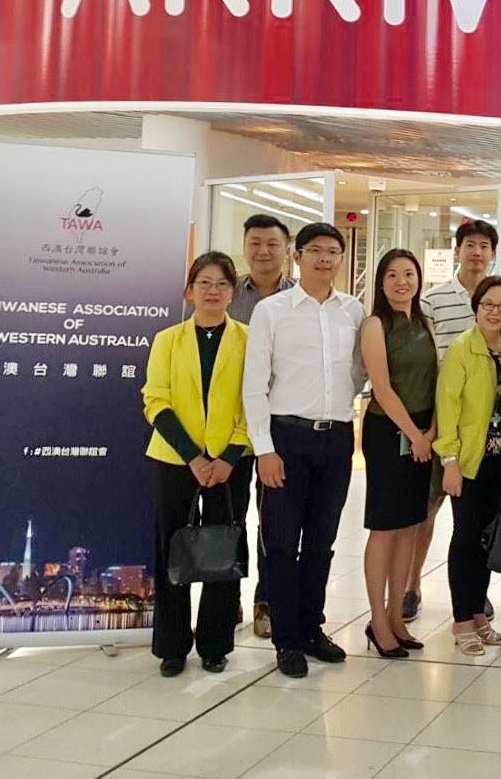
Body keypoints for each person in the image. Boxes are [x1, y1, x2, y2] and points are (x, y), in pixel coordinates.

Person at [243, 222, 365, 679]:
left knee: (321, 541)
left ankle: (312, 629)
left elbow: (360, 370)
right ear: (298, 256)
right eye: (315, 250)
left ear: (341, 259)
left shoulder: (353, 311)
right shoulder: (272, 311)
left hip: (336, 439)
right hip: (286, 439)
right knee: (280, 542)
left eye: (333, 251)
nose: (324, 259)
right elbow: (254, 385)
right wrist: (264, 449)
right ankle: (287, 639)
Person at [143, 252, 253, 677]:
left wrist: (228, 456)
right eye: (204, 283)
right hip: (175, 459)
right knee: (170, 548)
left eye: (222, 284)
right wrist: (193, 456)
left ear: (232, 293)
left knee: (224, 547)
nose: (213, 291)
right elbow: (156, 400)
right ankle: (172, 645)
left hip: (230, 462)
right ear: (189, 291)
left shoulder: (248, 340)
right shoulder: (167, 340)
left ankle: (215, 643)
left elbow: (254, 401)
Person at [190, 214, 295, 642]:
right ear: (245, 245)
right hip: (229, 432)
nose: (263, 251)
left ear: (287, 249)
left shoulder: (298, 298)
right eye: (255, 242)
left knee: (273, 519)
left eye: (272, 243)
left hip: (277, 430)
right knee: (229, 519)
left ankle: (266, 600)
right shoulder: (227, 293)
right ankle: (227, 598)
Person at [403, 219, 500, 623]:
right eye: (470, 245)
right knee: (426, 509)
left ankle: (476, 591)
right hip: (442, 422)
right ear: (457, 250)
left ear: (493, 253)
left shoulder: (500, 298)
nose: (477, 252)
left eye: (484, 246)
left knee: (478, 515)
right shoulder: (433, 300)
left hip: (483, 427)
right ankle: (411, 586)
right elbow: (427, 361)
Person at [358, 249, 437, 658]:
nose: (401, 282)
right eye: (392, 275)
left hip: (424, 432)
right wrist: (415, 435)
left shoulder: (425, 322)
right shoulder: (375, 324)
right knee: (385, 527)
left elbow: (436, 380)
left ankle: (395, 616)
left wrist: (432, 431)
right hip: (389, 432)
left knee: (411, 524)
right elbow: (382, 388)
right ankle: (376, 620)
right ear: (381, 282)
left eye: (408, 274)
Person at [435, 276, 501, 657]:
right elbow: (447, 408)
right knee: (466, 538)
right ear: (476, 306)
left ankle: (479, 613)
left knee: (488, 540)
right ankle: (461, 620)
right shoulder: (461, 350)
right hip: (469, 462)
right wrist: (449, 460)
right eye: (488, 304)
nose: (495, 312)